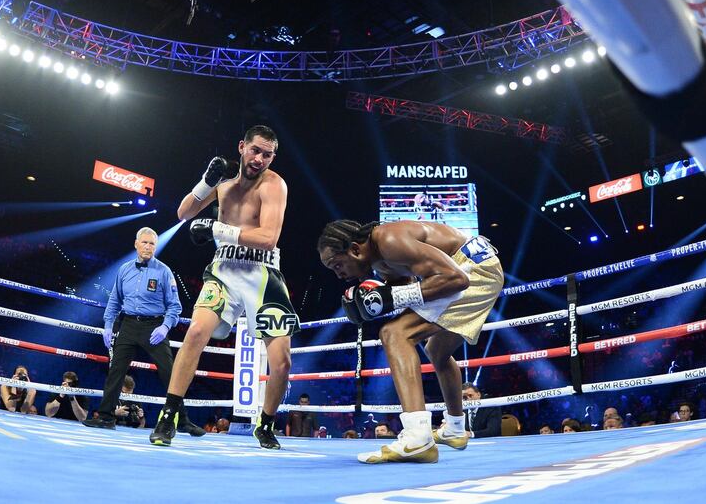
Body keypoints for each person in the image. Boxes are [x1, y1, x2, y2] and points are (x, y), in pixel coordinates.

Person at [150, 125, 299, 449]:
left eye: (267, 154)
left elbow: (269, 237)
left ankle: (266, 424)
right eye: (255, 150)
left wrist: (219, 229)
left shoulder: (274, 185)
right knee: (195, 332)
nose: (259, 159)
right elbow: (183, 213)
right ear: (242, 146)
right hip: (225, 271)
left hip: (263, 273)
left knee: (282, 360)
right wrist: (206, 181)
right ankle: (168, 416)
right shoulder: (222, 182)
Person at [318, 220, 503, 464]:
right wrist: (376, 302)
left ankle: (418, 438)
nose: (339, 274)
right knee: (437, 350)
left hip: (471, 269)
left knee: (395, 334)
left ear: (354, 249)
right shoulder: (380, 259)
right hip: (479, 265)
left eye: (337, 264)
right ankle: (456, 429)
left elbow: (456, 279)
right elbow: (406, 290)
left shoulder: (388, 240)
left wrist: (392, 297)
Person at [83, 227, 204, 437]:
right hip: (128, 325)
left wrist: (165, 326)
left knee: (170, 372)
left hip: (154, 326)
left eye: (152, 244)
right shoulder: (124, 270)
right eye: (145, 243)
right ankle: (105, 417)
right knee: (116, 370)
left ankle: (182, 420)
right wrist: (108, 325)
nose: (148, 247)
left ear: (156, 247)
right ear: (136, 244)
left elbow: (175, 306)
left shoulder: (164, 271)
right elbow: (115, 300)